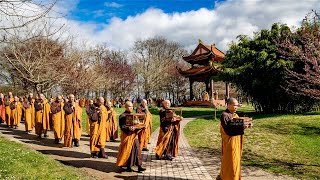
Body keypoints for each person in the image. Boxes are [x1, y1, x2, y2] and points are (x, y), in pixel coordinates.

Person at [217, 98, 252, 180]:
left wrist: (245, 126)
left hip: (236, 143)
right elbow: (228, 130)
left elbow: (237, 126)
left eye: (237, 105)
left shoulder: (235, 115)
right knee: (230, 163)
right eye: (235, 105)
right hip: (229, 144)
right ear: (228, 105)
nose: (236, 107)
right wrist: (242, 126)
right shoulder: (224, 115)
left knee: (236, 163)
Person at [116, 101, 146, 173]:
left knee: (137, 150)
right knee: (128, 151)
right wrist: (128, 128)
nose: (131, 108)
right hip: (127, 136)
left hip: (134, 135)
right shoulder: (122, 116)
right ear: (126, 107)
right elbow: (122, 126)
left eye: (132, 106)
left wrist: (140, 127)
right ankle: (128, 166)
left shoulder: (134, 115)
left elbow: (138, 124)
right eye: (129, 106)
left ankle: (139, 166)